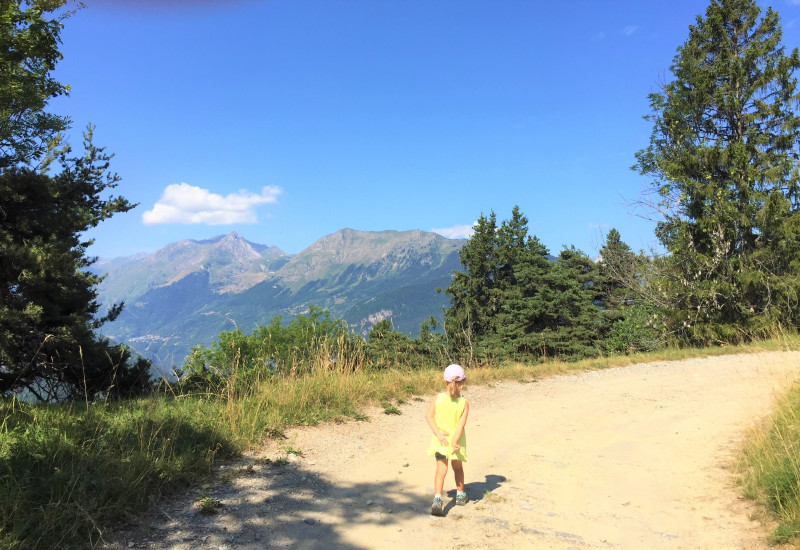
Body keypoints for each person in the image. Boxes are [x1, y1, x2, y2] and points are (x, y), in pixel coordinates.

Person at [425, 363, 469, 516]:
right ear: (462, 384)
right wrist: (455, 441)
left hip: (441, 441)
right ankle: (460, 495)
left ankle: (437, 499)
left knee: (440, 471)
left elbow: (428, 416)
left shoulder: (438, 399)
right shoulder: (464, 403)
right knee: (457, 468)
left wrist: (438, 434)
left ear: (444, 381)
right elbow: (461, 426)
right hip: (455, 443)